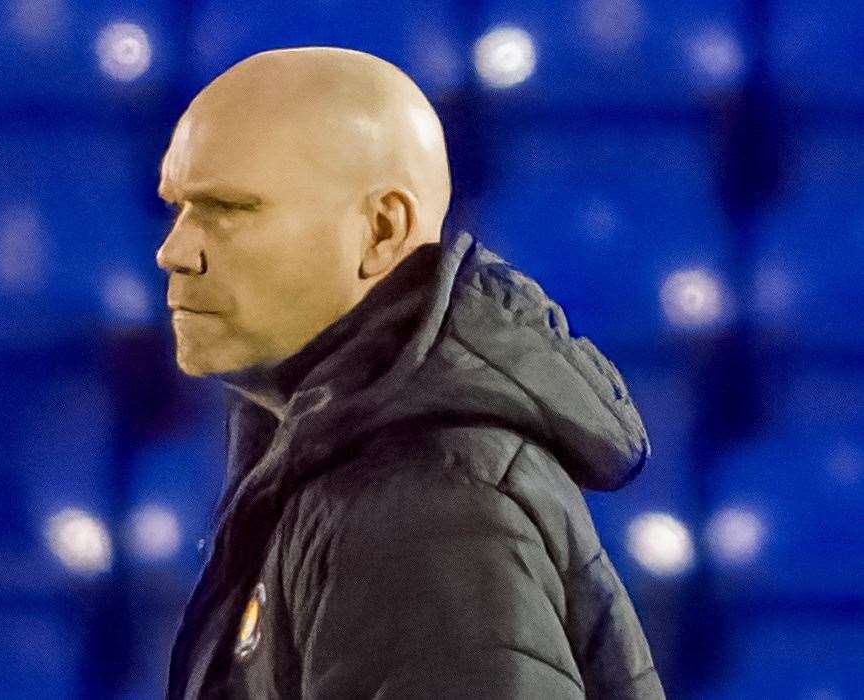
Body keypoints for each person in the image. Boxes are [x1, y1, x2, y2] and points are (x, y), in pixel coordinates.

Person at [155, 46, 664, 699]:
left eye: (227, 209)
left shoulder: (422, 509)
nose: (175, 251)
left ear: (381, 229)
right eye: (177, 207)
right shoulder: (340, 457)